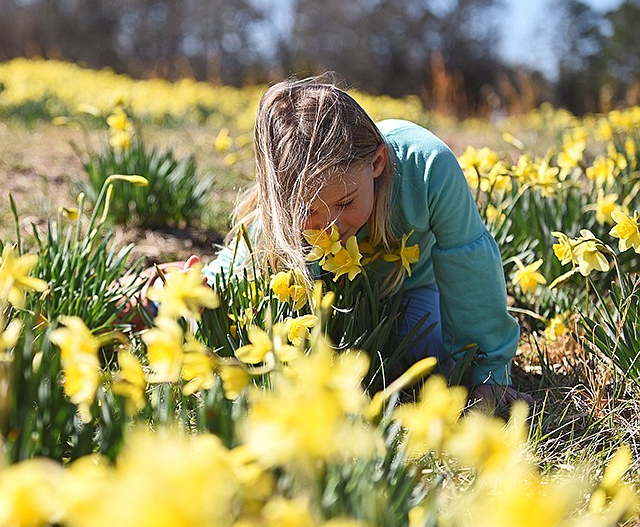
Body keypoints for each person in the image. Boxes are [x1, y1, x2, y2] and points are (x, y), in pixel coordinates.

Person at [140, 76, 530, 412]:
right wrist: (203, 284)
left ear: (377, 164)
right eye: (308, 210)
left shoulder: (427, 167)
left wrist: (489, 373)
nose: (328, 228)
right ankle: (141, 287)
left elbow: (470, 270)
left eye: (345, 202)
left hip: (412, 284)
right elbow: (247, 256)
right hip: (324, 294)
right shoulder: (285, 214)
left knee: (425, 361)